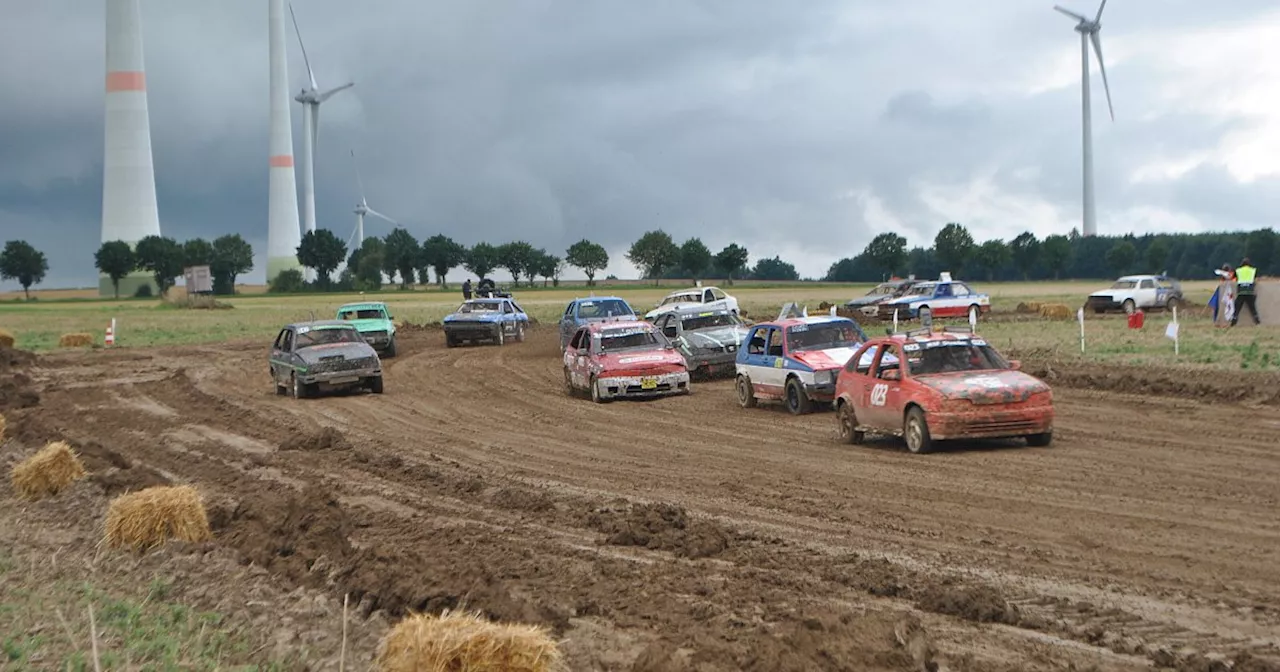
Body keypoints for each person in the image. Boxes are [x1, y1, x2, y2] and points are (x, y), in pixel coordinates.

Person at [1232, 257, 1261, 326]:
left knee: (1237, 307)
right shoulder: (1253, 270)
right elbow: (1255, 280)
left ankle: (1234, 320)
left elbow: (1234, 278)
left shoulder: (1238, 270)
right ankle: (1257, 321)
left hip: (1241, 291)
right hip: (1250, 291)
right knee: (1252, 307)